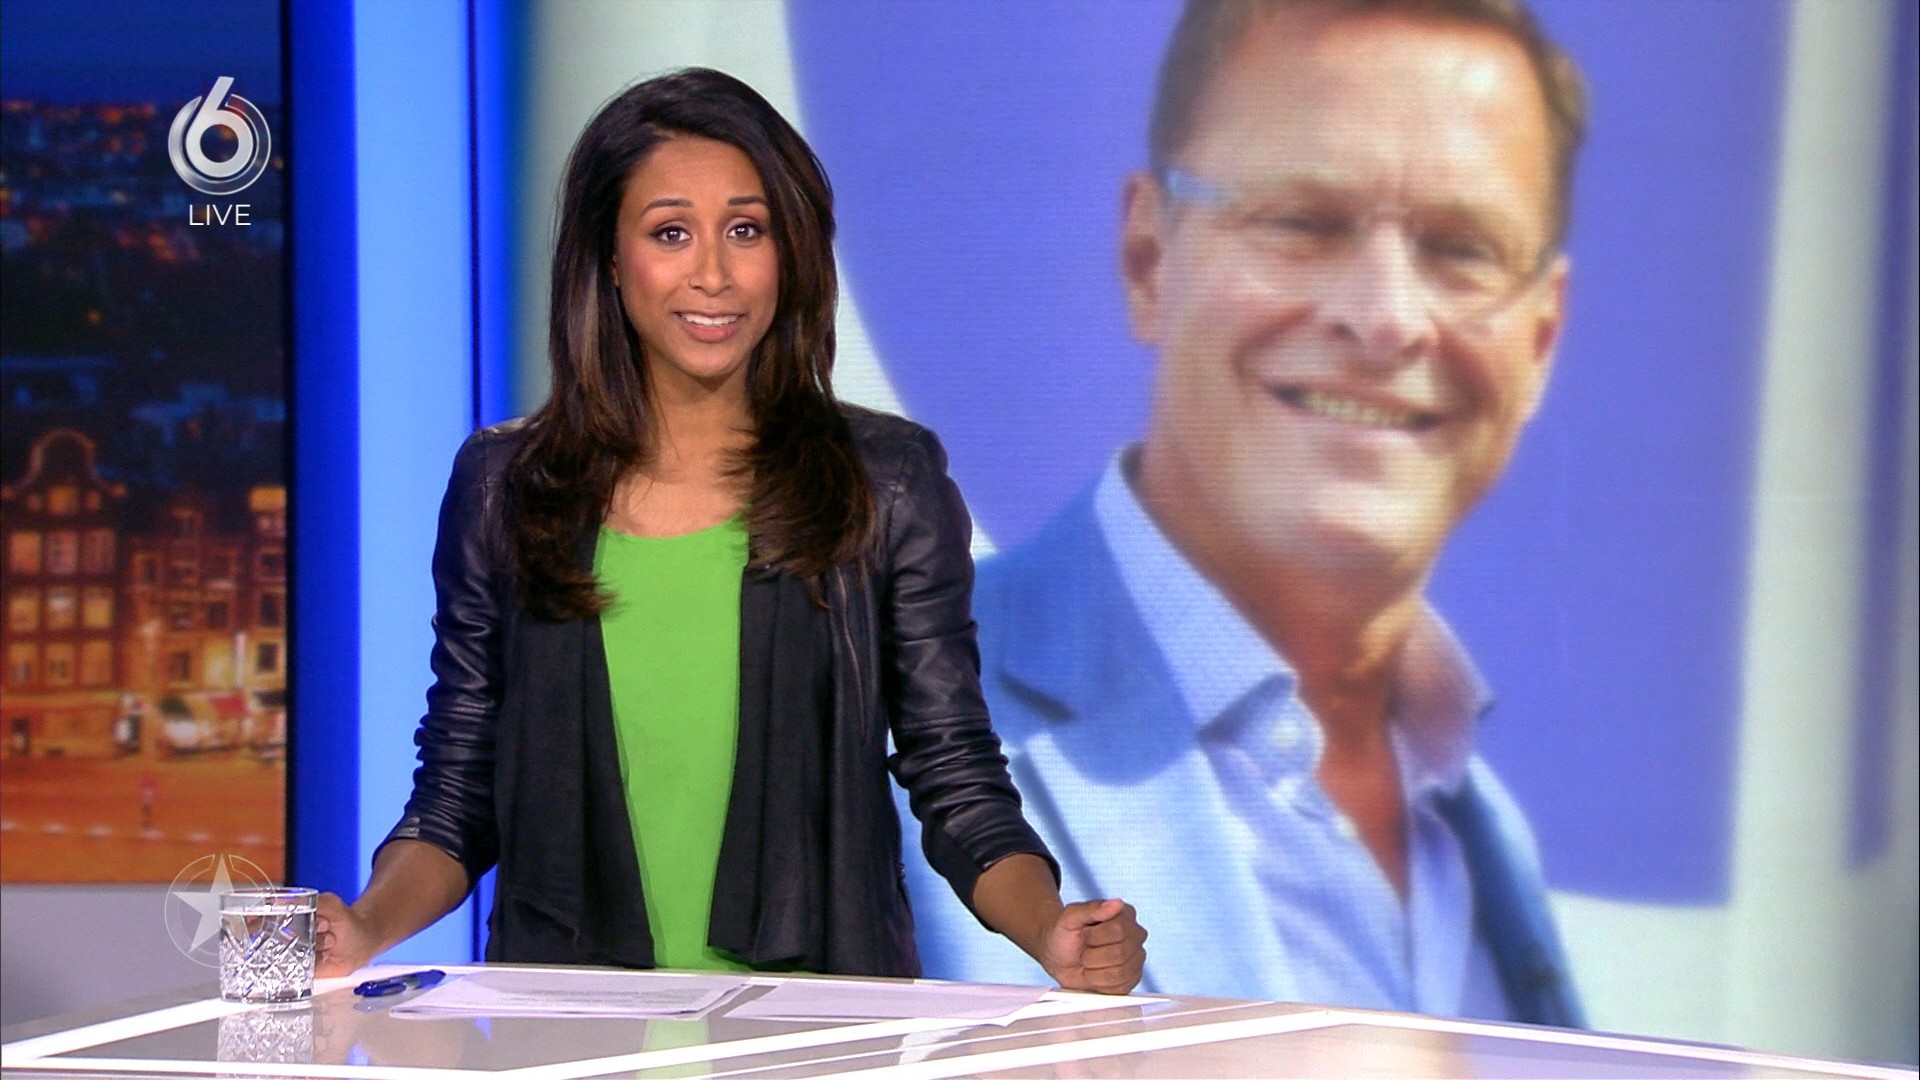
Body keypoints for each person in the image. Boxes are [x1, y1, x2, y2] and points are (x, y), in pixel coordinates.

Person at [314, 68, 1145, 990]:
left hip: (814, 1032)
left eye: (746, 231)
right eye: (670, 233)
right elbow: (458, 789)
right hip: (565, 1030)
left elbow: (954, 771)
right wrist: (363, 927)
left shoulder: (886, 483)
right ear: (609, 258)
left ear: (790, 252)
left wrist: (1051, 932)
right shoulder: (505, 487)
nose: (712, 274)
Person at [904, 0, 1585, 1025]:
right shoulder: (880, 722)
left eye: (1462, 247)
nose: (1386, 318)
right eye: (1303, 221)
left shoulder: (1475, 832)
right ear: (1148, 258)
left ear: (1539, 340)